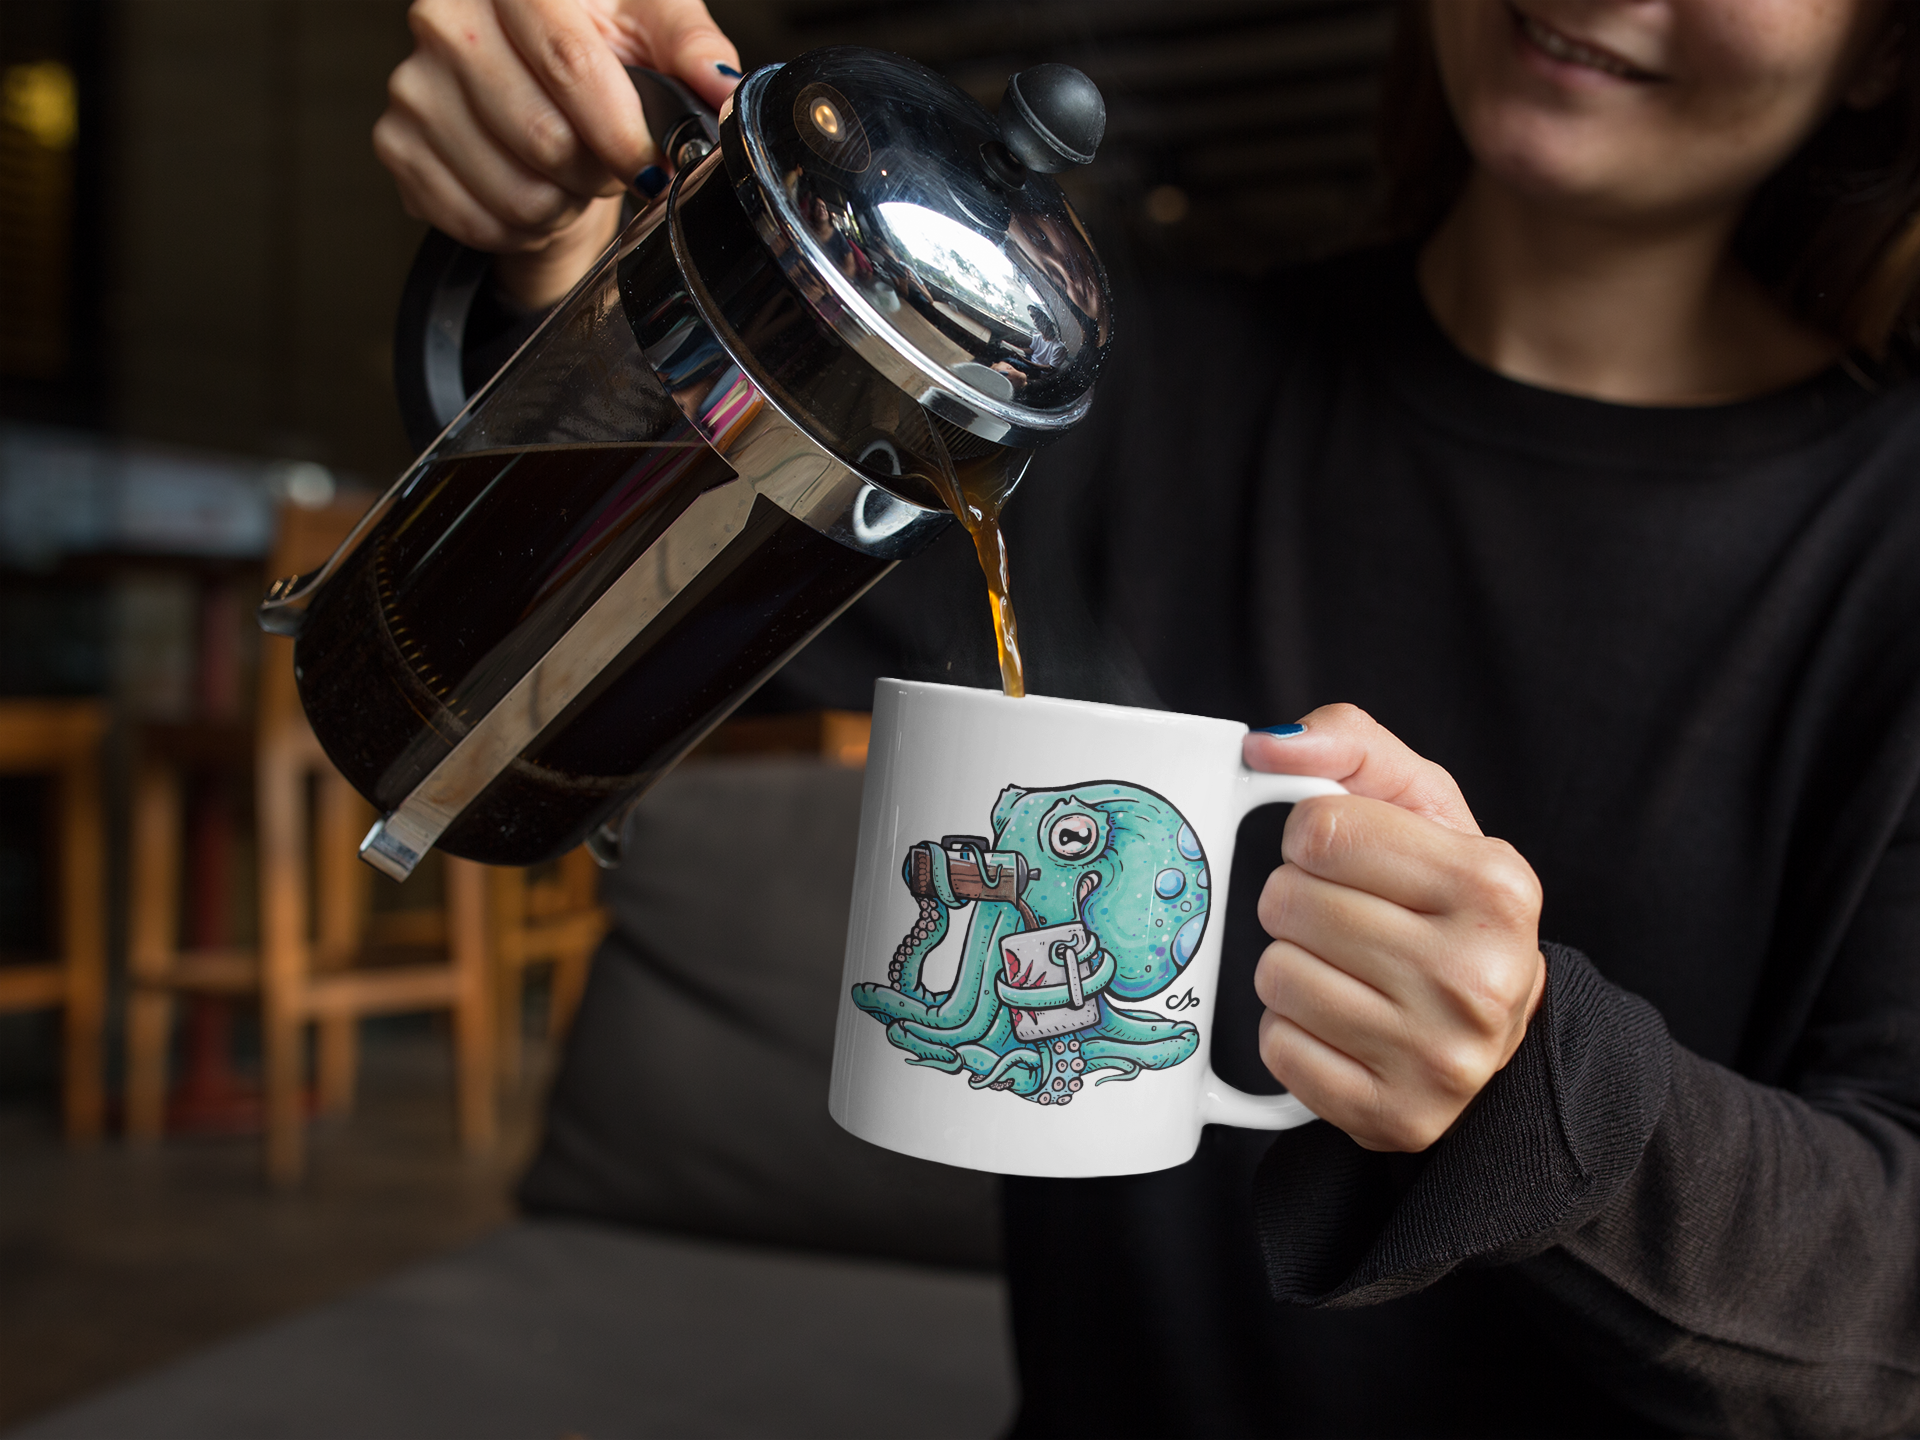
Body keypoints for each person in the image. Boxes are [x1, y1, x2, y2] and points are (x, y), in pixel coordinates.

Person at [373, 2, 1920, 1435]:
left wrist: (1538, 1093)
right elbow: (580, 653)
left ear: (1883, 46)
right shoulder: (1087, 394)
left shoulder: (1885, 541)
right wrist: (574, 254)